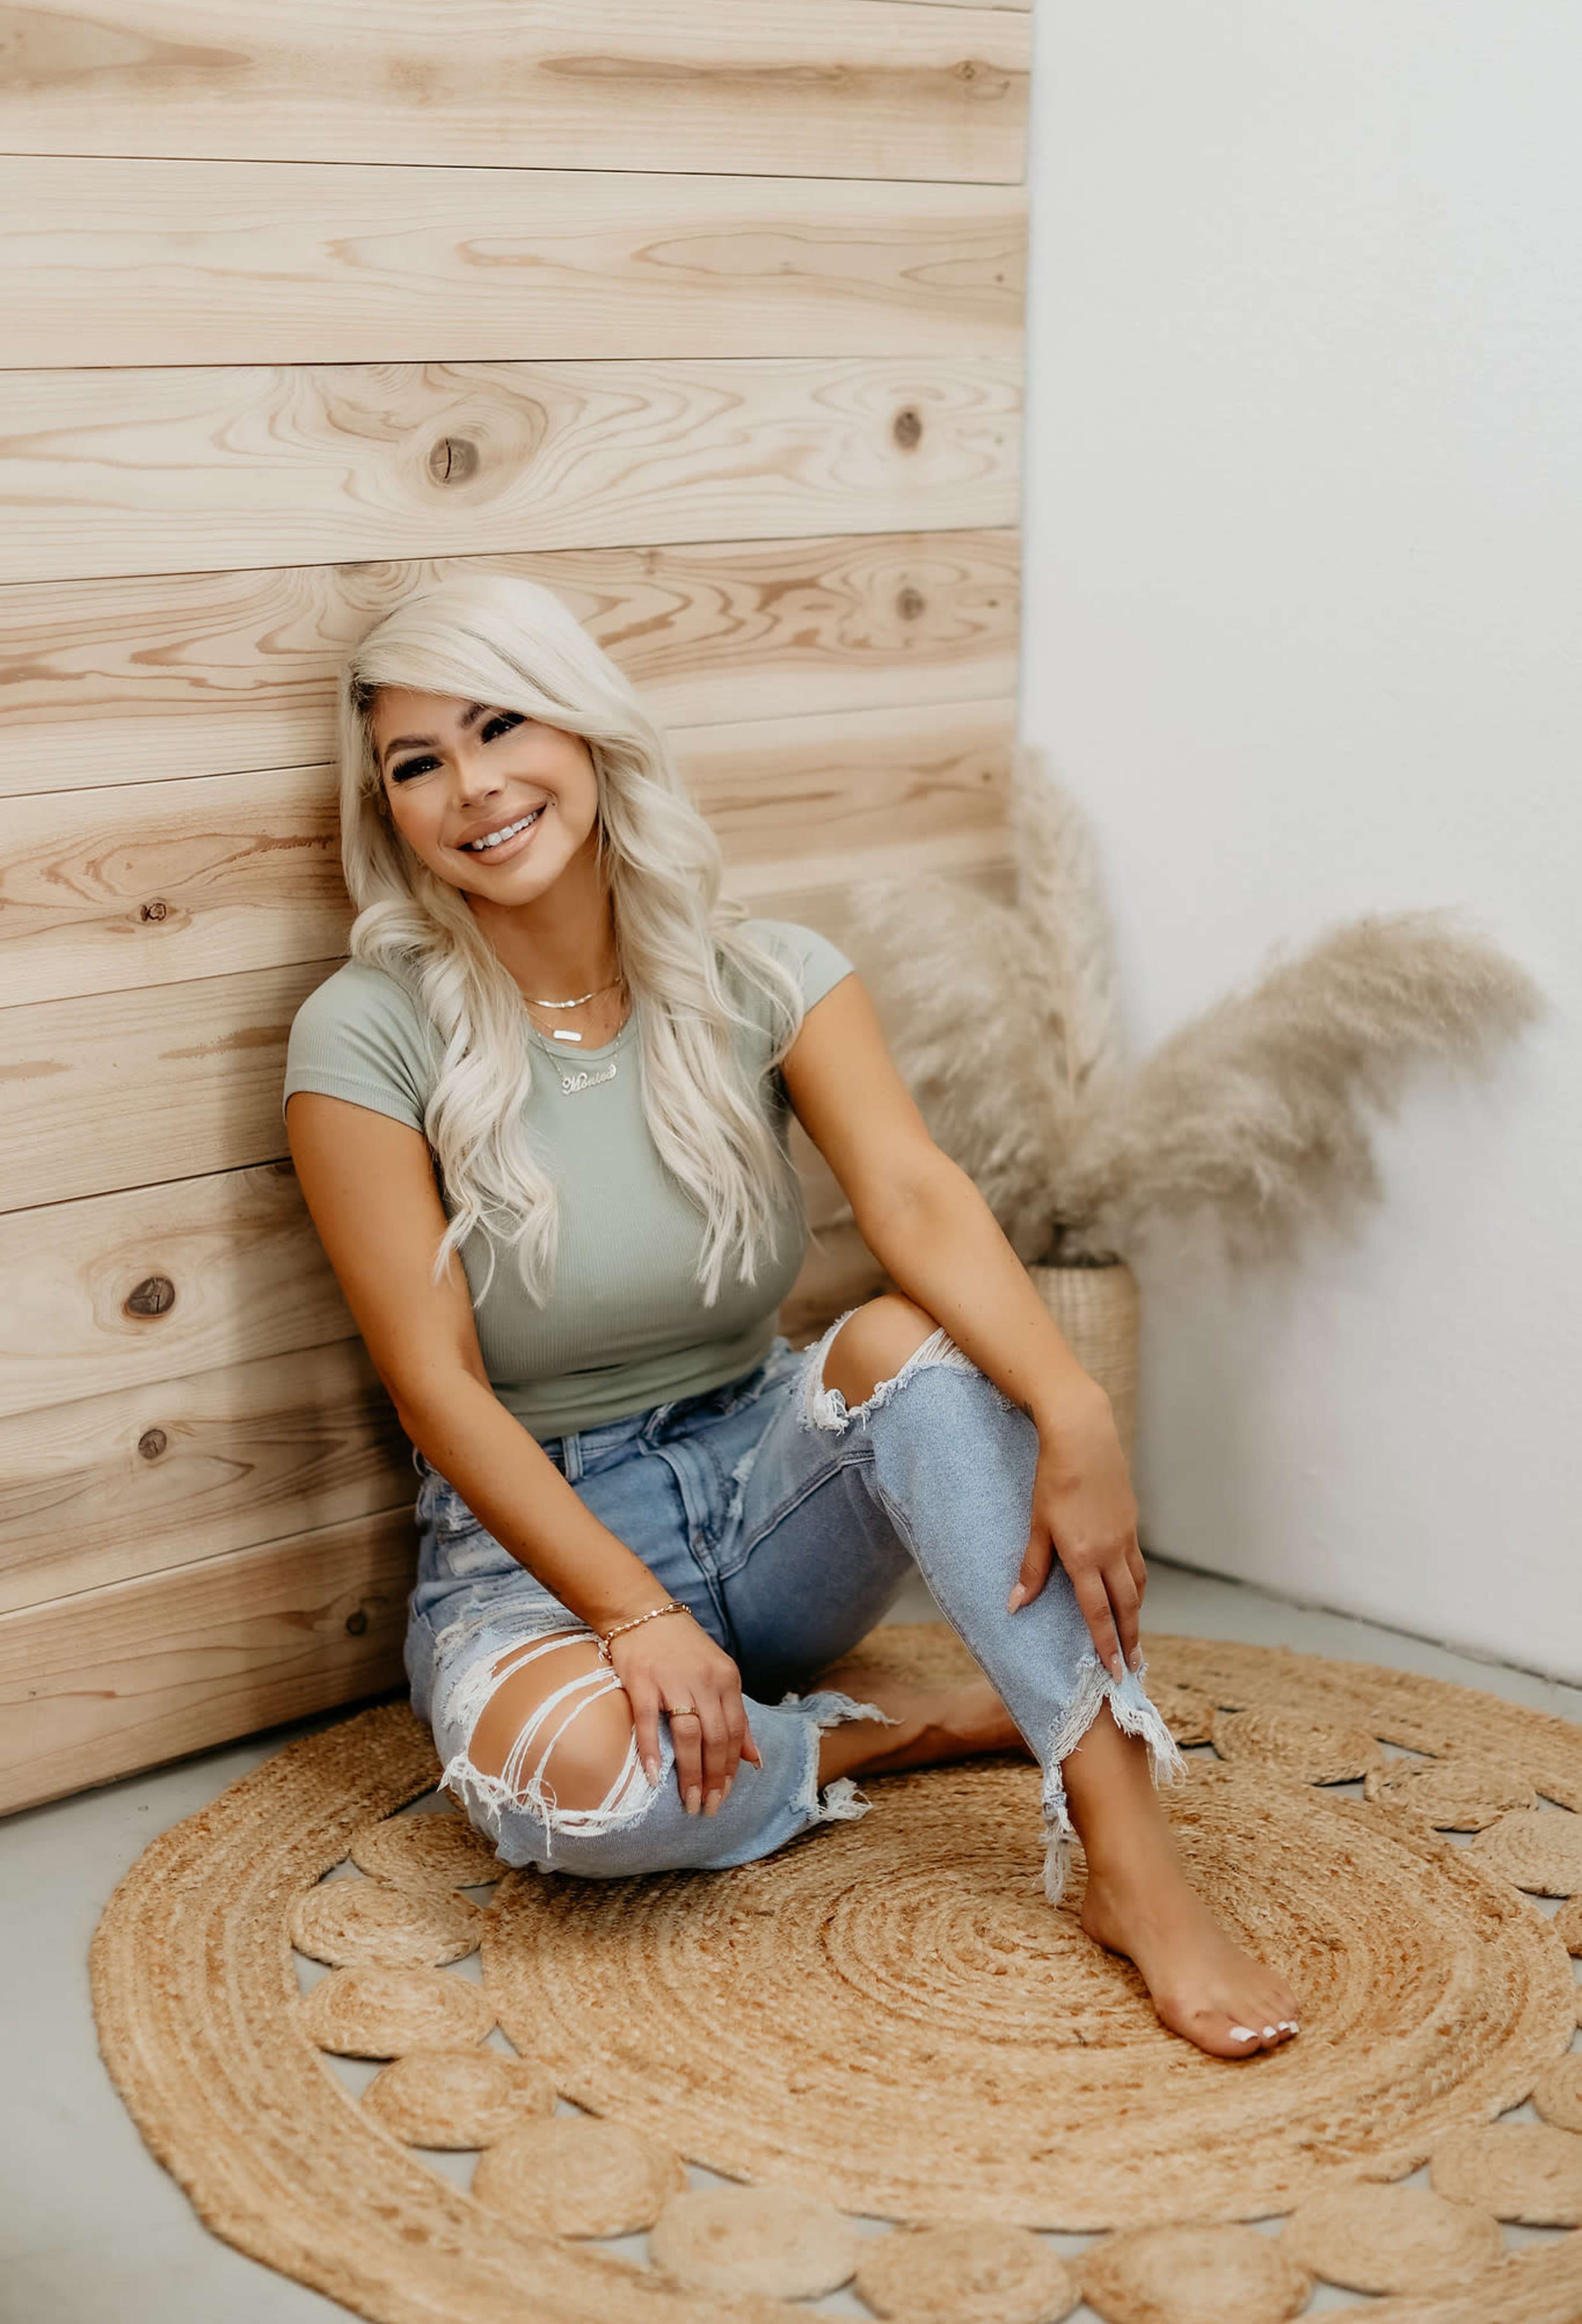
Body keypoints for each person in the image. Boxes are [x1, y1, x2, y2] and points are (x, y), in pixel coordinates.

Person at [283, 573, 1300, 2062]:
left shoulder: (763, 973)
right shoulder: (365, 1030)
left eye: (500, 725)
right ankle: (881, 1732)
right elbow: (435, 1388)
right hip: (530, 1549)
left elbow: (916, 1198)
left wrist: (1075, 1409)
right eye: (417, 763)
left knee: (905, 1337)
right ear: (389, 812)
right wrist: (630, 1612)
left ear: (586, 729)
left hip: (767, 1495)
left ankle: (1128, 1858)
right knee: (589, 1798)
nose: (472, 786)